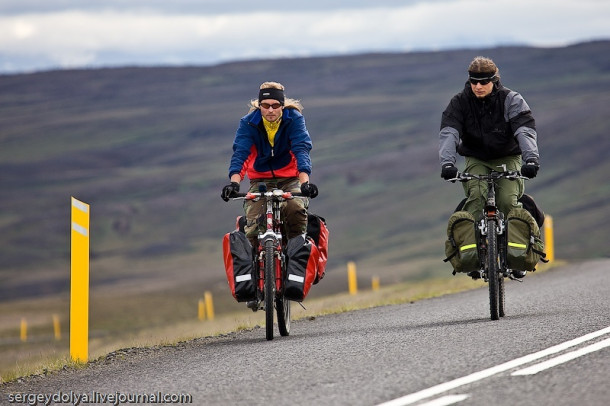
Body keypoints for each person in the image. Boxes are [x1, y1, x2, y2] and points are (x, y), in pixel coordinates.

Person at [439, 56, 540, 278]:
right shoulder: (460, 102)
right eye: (474, 81)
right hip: (477, 159)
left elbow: (524, 130)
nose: (478, 86)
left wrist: (531, 159)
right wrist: (447, 163)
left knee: (507, 201)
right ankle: (473, 258)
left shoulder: (511, 99)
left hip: (507, 156)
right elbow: (449, 133)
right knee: (475, 198)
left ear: (494, 80)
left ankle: (518, 258)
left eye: (483, 82)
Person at [221, 81, 318, 248]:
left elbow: (300, 150)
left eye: (275, 105)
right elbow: (241, 153)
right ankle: (255, 268)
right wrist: (234, 183)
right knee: (253, 226)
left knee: (295, 210)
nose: (270, 110)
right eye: (265, 105)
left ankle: (296, 258)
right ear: (259, 106)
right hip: (260, 182)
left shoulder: (293, 119)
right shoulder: (249, 122)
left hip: (290, 179)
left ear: (282, 106)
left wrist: (305, 184)